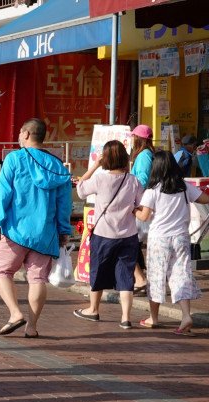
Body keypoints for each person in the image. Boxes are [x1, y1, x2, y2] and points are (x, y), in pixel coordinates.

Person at [0, 118, 72, 339]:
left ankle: (15, 313)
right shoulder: (57, 166)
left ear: (26, 133)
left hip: (15, 229)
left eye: (19, 133)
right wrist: (64, 230)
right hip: (45, 233)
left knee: (2, 270)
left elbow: (4, 193)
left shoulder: (14, 159)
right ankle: (32, 326)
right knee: (37, 279)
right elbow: (64, 205)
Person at [135, 151, 209, 335]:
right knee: (181, 275)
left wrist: (133, 211)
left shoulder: (152, 191)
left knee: (156, 276)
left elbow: (144, 216)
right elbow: (205, 199)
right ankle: (186, 316)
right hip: (181, 238)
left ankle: (154, 318)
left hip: (159, 239)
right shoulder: (184, 187)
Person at [73, 140, 143, 329]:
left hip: (104, 234)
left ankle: (93, 309)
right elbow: (140, 205)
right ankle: (126, 318)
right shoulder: (133, 180)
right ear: (125, 158)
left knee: (99, 271)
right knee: (126, 275)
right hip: (128, 234)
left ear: (106, 159)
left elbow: (80, 190)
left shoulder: (100, 179)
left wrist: (96, 164)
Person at [130, 124, 155, 293]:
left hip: (140, 203)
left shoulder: (144, 155)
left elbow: (143, 179)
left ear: (139, 139)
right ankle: (139, 278)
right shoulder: (146, 154)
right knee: (133, 243)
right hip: (142, 202)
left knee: (130, 242)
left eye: (134, 136)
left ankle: (140, 280)